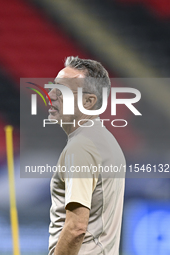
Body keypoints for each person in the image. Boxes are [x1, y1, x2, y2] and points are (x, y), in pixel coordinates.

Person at [48, 56, 125, 255]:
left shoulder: (82, 147)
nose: (51, 94)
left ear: (89, 101)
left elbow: (76, 228)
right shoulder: (105, 140)